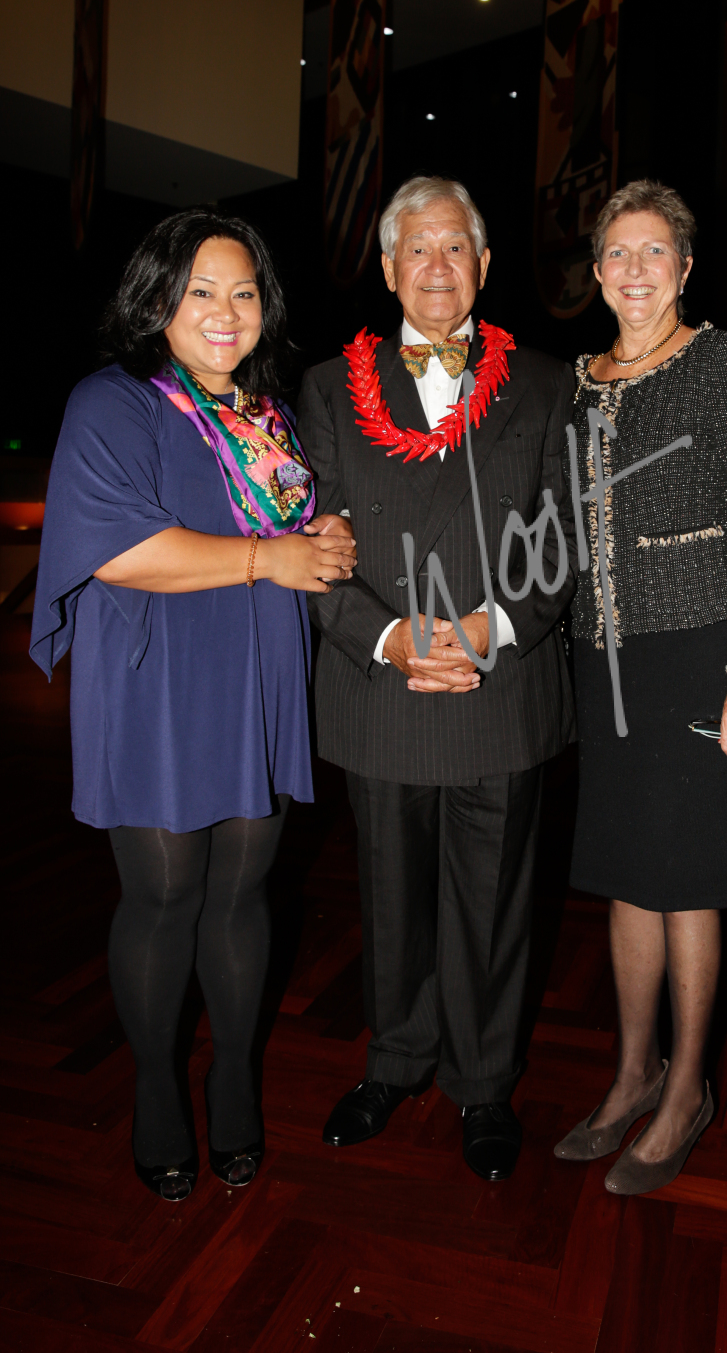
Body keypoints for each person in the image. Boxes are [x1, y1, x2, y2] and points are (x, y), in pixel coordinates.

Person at [30, 211, 356, 1202]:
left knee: (244, 892)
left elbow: (293, 525)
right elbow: (119, 549)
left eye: (243, 291)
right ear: (157, 299)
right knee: (165, 895)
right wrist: (273, 557)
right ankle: (156, 1089)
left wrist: (324, 539)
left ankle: (236, 1078)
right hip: (158, 675)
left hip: (256, 667)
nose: (225, 311)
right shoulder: (114, 400)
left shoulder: (266, 413)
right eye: (200, 290)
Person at [297, 176, 576, 1181]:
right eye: (417, 247)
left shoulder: (546, 383)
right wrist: (389, 637)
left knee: (493, 903)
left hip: (501, 689)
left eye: (455, 246)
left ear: (485, 264)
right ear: (387, 268)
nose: (437, 266)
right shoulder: (327, 388)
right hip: (384, 688)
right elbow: (311, 547)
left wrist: (491, 627)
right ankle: (395, 1061)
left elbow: (566, 533)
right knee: (391, 897)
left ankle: (484, 1082)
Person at [555, 180, 727, 1196]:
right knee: (626, 872)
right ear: (596, 271)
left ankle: (687, 1088)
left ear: (685, 268)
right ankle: (633, 1073)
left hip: (702, 652)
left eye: (655, 251)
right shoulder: (579, 381)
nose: (636, 269)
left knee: (688, 878)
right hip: (604, 658)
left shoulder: (721, 362)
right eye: (618, 251)